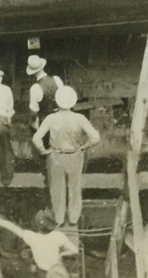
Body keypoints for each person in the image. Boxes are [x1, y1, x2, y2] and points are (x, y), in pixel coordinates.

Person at [31, 85, 100, 228]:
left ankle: (59, 219)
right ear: (73, 102)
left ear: (57, 102)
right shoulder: (80, 118)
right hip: (75, 156)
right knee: (75, 188)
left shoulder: (51, 118)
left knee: (57, 189)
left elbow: (36, 138)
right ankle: (74, 218)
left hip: (56, 156)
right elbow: (95, 138)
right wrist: (84, 146)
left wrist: (43, 151)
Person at [27, 56, 63, 130]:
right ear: (43, 67)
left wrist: (31, 122)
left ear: (33, 73)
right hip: (61, 119)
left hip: (46, 123)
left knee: (34, 128)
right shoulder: (57, 79)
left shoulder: (35, 88)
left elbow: (34, 112)